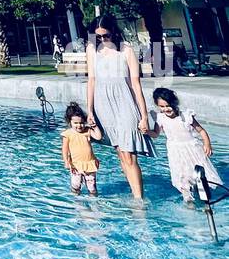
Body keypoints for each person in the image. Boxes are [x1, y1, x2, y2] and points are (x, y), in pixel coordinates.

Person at [86, 14, 154, 199]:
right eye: (97, 36)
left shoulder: (126, 50)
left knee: (129, 153)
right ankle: (135, 194)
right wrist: (90, 111)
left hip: (125, 103)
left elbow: (136, 85)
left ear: (113, 32)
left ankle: (139, 200)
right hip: (103, 105)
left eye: (105, 35)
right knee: (120, 153)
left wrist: (144, 116)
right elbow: (91, 82)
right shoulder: (92, 50)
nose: (102, 39)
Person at [149, 87, 221, 202]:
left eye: (168, 105)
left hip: (192, 149)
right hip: (175, 151)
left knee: (199, 175)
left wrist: (207, 143)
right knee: (182, 176)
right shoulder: (160, 118)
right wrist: (147, 132)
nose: (166, 109)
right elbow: (156, 134)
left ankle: (205, 198)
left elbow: (201, 131)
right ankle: (188, 199)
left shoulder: (186, 116)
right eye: (162, 107)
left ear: (174, 103)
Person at [61, 102, 102, 196]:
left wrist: (94, 126)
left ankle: (94, 201)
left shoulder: (87, 131)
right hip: (75, 165)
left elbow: (98, 137)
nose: (79, 125)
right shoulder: (67, 134)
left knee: (92, 187)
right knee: (76, 186)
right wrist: (66, 162)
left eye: (81, 123)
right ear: (69, 122)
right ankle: (77, 202)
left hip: (89, 164)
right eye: (75, 123)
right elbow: (65, 150)